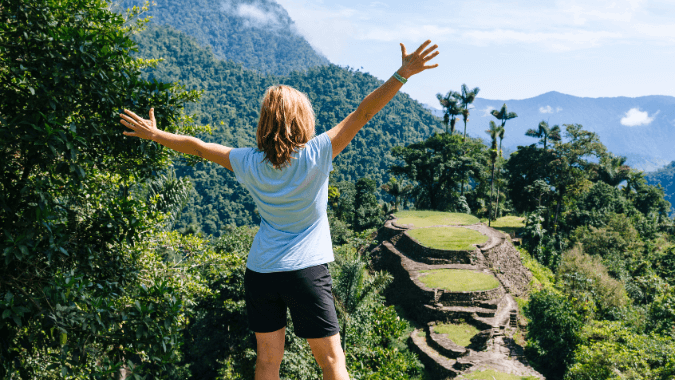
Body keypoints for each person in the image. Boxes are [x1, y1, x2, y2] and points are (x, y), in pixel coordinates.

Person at [120, 39, 439, 380]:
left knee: (268, 362)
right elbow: (364, 111)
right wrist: (403, 74)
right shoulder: (319, 153)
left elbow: (199, 148)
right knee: (332, 362)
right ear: (303, 118)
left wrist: (156, 135)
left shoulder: (247, 162)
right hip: (305, 271)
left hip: (261, 272)